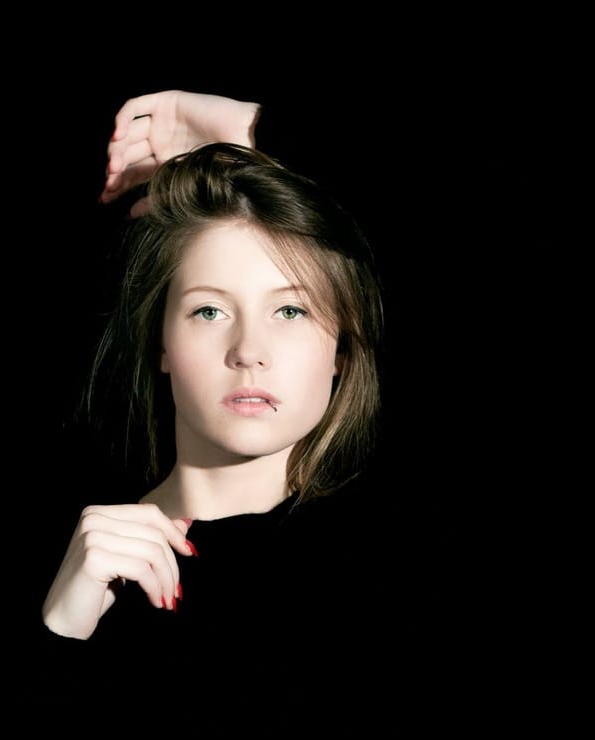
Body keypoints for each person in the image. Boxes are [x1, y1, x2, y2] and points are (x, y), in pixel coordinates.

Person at [24, 91, 448, 735]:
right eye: (209, 310)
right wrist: (62, 629)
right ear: (161, 341)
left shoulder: (406, 556)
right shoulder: (72, 553)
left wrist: (251, 128)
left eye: (290, 310)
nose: (248, 351)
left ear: (342, 345)